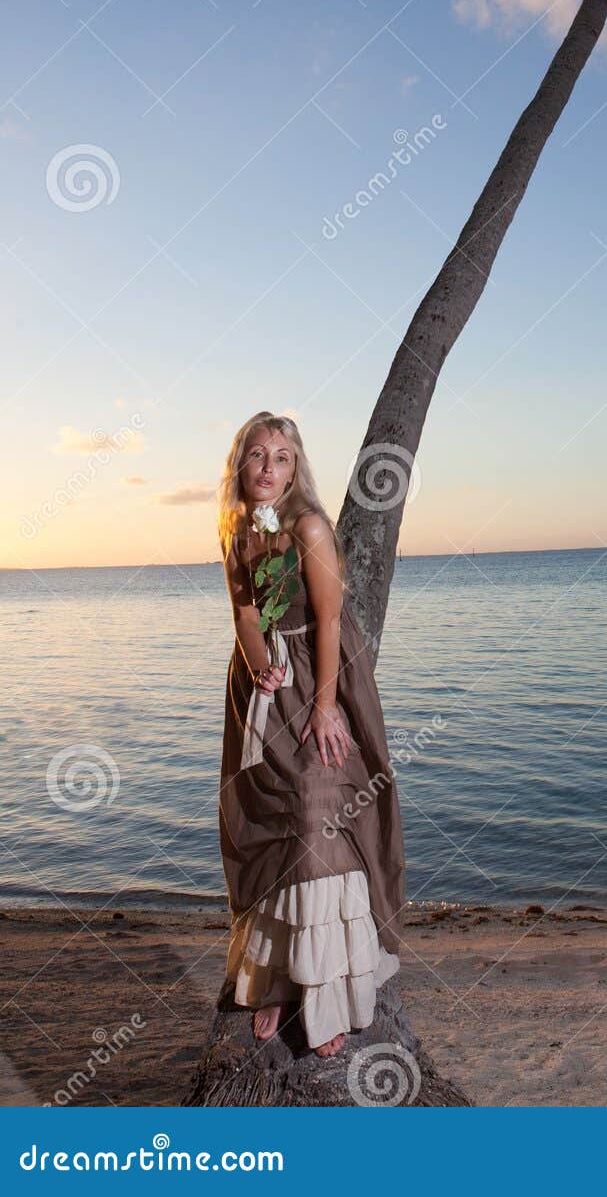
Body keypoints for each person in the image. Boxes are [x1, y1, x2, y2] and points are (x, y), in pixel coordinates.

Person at [216, 411, 405, 1058]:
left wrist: (325, 709)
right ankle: (278, 981)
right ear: (240, 465)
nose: (268, 468)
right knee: (273, 819)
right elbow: (243, 611)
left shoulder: (310, 527)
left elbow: (328, 621)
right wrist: (256, 665)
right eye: (257, 456)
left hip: (320, 676)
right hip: (264, 684)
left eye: (282, 458)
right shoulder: (237, 531)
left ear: (296, 471)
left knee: (317, 809)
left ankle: (326, 993)